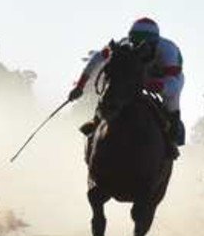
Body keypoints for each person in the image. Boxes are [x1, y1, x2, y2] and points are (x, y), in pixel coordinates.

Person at [69, 17, 185, 157]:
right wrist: (79, 87)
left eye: (145, 45)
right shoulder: (123, 44)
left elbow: (172, 85)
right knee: (112, 90)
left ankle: (170, 139)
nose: (140, 48)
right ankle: (97, 120)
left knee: (171, 104)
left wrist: (148, 84)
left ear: (155, 43)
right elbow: (96, 60)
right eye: (135, 43)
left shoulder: (168, 51)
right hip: (135, 74)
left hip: (165, 78)